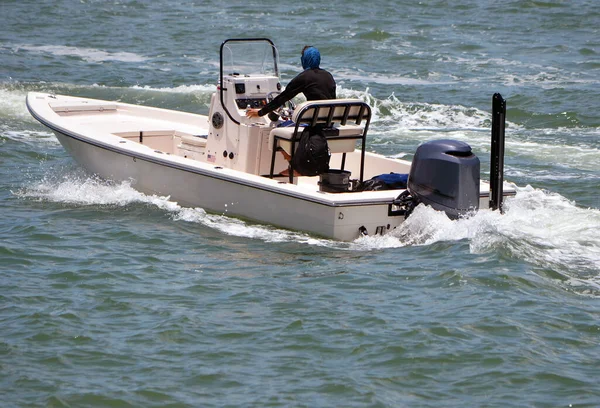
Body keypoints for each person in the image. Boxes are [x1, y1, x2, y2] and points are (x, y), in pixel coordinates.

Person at [245, 45, 336, 119]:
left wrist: (261, 112)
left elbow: (283, 97)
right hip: (329, 120)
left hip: (314, 122)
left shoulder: (304, 77)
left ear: (304, 60)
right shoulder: (328, 76)